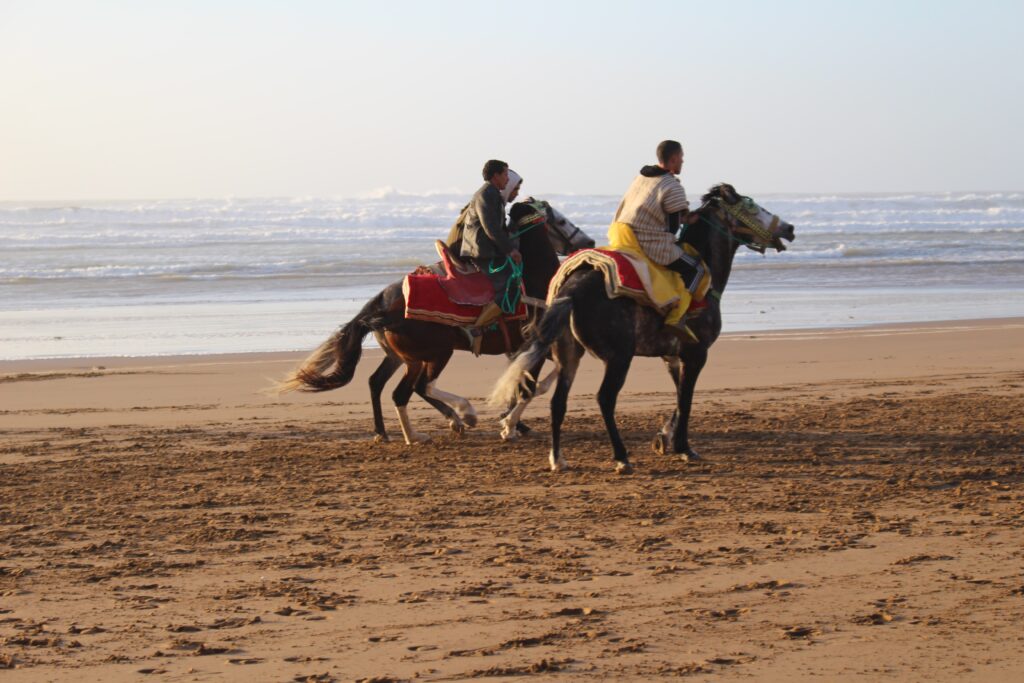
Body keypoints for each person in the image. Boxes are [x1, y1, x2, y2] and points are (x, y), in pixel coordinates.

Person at [612, 140, 707, 338]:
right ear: (673, 159)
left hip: (622, 235)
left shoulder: (641, 177)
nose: (683, 161)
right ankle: (676, 316)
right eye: (681, 158)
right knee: (695, 269)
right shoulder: (671, 186)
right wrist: (688, 219)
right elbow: (673, 229)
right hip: (649, 242)